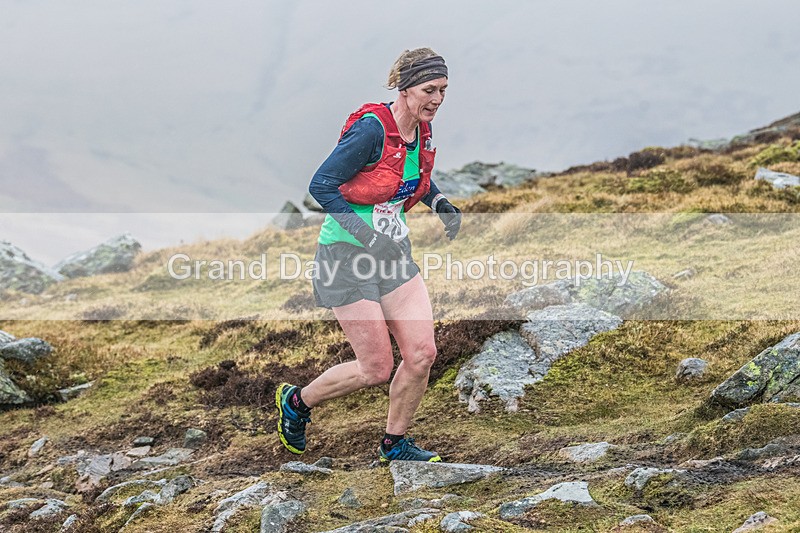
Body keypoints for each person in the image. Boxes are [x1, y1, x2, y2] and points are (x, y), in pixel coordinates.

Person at [276, 48, 462, 463]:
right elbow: (321, 185)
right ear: (405, 87)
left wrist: (440, 203)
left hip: (393, 254)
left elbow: (408, 180)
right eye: (429, 89)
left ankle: (394, 445)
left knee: (422, 354)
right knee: (375, 368)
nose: (438, 99)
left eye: (444, 90)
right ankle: (297, 403)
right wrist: (364, 234)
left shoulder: (421, 129)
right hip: (345, 257)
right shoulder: (371, 130)